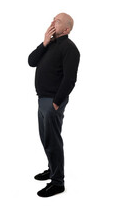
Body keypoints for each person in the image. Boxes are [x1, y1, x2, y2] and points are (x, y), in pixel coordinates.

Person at [28, 13, 80, 197]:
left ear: (66, 29)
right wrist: (44, 42)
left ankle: (58, 182)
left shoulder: (70, 48)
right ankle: (52, 169)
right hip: (42, 99)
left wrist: (57, 102)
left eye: (57, 21)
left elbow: (70, 79)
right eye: (53, 19)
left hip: (53, 101)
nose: (52, 22)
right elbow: (31, 61)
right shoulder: (49, 44)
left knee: (53, 141)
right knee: (45, 138)